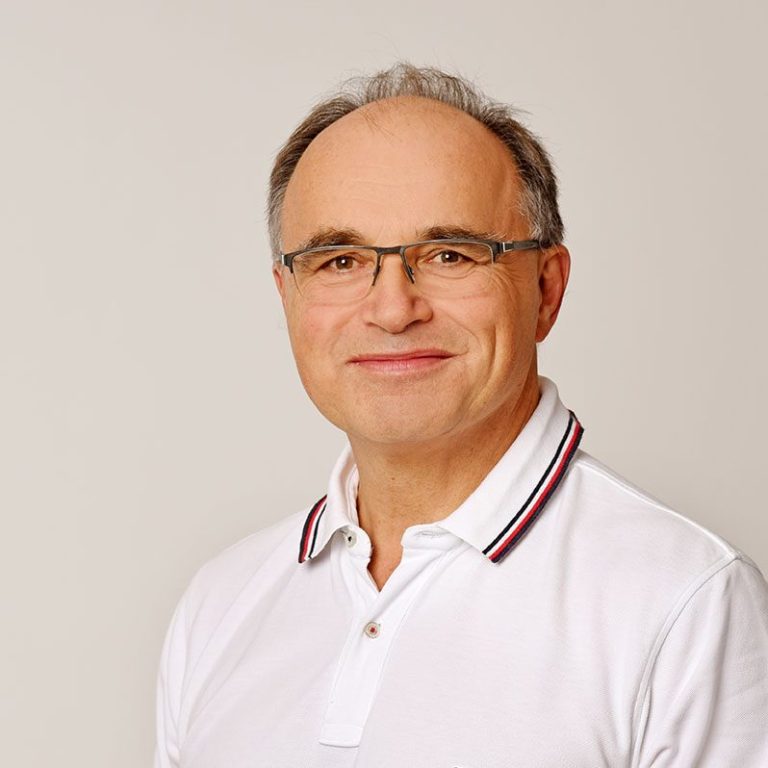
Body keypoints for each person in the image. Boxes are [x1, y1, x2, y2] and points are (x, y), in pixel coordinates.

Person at [154, 63, 768, 767]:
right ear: (286, 295)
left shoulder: (687, 603)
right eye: (339, 261)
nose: (392, 310)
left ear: (546, 289)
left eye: (449, 254)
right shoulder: (220, 604)